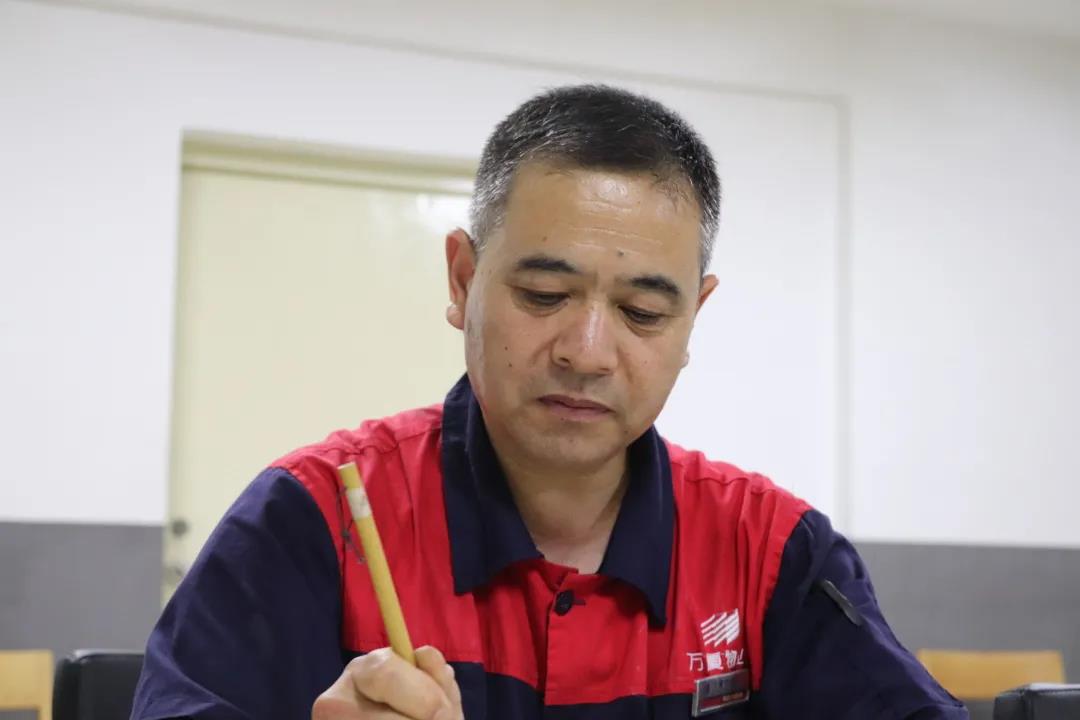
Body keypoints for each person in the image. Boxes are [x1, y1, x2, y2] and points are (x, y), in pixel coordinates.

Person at [131, 85, 967, 719]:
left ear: (693, 320)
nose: (587, 352)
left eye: (643, 312)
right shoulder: (315, 519)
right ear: (463, 281)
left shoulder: (770, 552)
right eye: (543, 294)